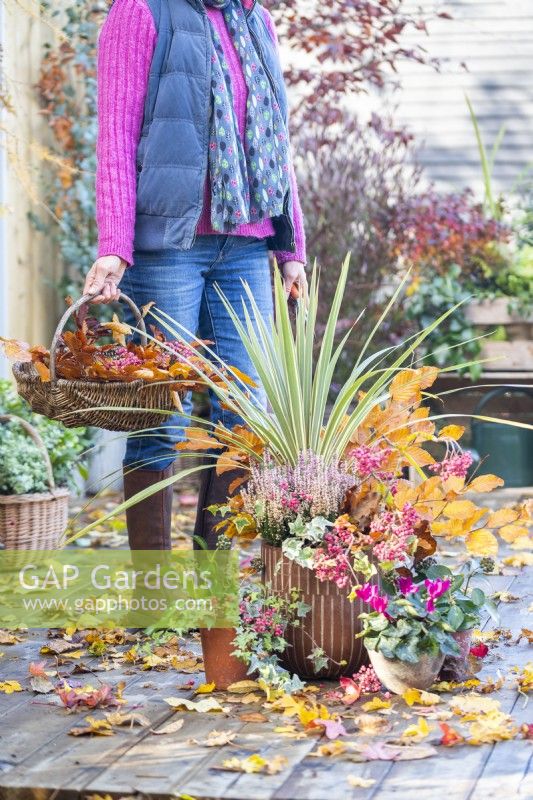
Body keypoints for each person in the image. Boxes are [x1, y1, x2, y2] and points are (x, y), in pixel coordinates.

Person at [83, 0, 307, 550]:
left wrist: (291, 246)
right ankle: (156, 593)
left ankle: (215, 585)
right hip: (167, 249)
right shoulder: (139, 12)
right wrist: (114, 243)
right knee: (163, 418)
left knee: (246, 412)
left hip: (249, 242)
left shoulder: (254, 18)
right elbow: (116, 134)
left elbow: (277, 135)